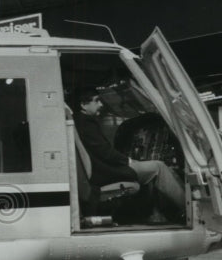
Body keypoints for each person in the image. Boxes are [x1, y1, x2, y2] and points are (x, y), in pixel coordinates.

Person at [73, 88, 186, 220]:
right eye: (96, 101)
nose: (101, 104)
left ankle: (154, 215)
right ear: (83, 105)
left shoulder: (79, 122)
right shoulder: (86, 123)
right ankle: (189, 208)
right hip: (106, 172)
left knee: (156, 171)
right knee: (159, 167)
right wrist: (129, 161)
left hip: (101, 170)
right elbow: (106, 153)